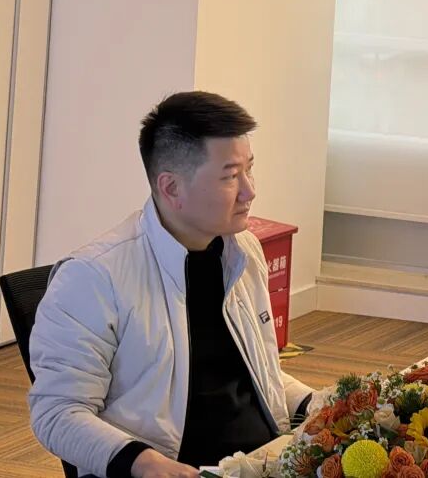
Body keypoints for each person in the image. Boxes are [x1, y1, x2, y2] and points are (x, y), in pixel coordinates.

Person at [29, 91, 316, 478]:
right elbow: (58, 413)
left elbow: (255, 373)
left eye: (250, 170)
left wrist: (317, 404)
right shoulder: (93, 278)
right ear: (171, 188)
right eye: (231, 176)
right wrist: (145, 463)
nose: (250, 191)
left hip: (264, 460)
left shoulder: (242, 250)